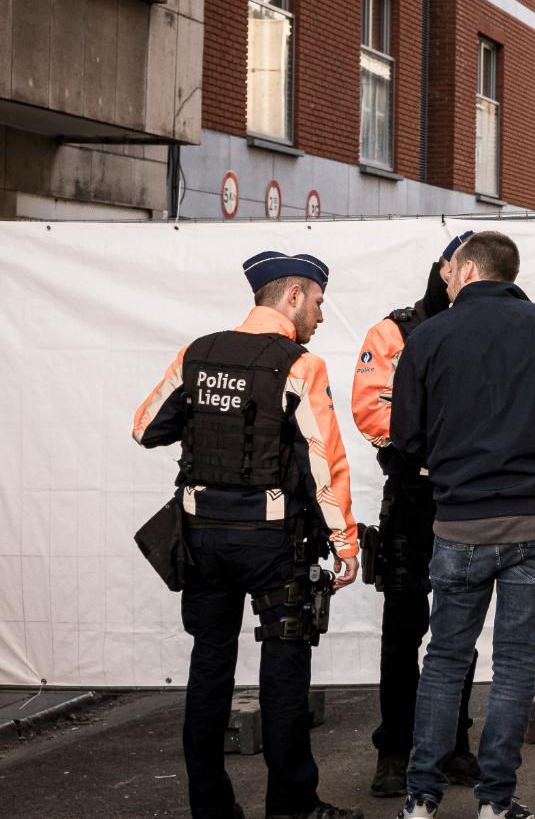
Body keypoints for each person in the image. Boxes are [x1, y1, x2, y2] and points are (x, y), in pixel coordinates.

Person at [132, 251, 364, 819]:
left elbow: (145, 428)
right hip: (271, 543)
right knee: (284, 671)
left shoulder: (198, 353)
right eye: (317, 302)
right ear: (291, 298)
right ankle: (292, 807)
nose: (321, 315)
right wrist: (346, 544)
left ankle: (210, 808)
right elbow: (323, 462)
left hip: (201, 537)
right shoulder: (299, 365)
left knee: (209, 665)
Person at [393, 231, 535, 819]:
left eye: (447, 271)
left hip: (460, 523)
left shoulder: (427, 337)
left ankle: (420, 798)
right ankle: (495, 802)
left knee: (445, 657)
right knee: (516, 663)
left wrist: (447, 449)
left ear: (466, 270)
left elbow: (407, 438)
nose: (443, 279)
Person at [352, 231, 482, 797]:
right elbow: (370, 408)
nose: (462, 281)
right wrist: (433, 449)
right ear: (443, 268)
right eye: (457, 269)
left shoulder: (484, 328)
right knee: (402, 630)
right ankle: (395, 750)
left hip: (466, 495)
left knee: (461, 629)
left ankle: (454, 745)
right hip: (410, 495)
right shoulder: (392, 330)